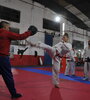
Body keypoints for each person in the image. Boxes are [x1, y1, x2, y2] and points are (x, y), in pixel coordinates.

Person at [0, 21, 37, 98]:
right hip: (3, 58)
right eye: (8, 27)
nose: (9, 28)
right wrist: (29, 32)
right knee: (8, 76)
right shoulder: (6, 32)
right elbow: (20, 37)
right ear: (4, 27)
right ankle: (13, 94)